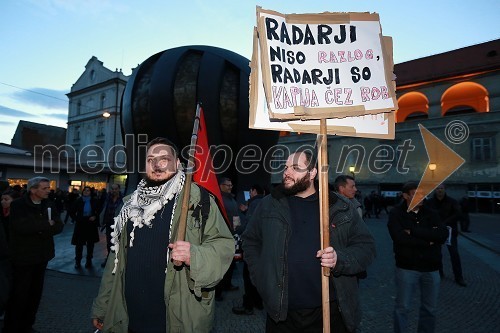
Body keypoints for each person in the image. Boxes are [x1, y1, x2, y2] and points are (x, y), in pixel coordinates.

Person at [91, 137, 234, 333]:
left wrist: (195, 255)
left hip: (175, 316)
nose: (157, 164)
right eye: (151, 159)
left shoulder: (198, 201)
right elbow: (114, 263)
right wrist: (103, 306)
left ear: (177, 163)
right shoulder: (129, 205)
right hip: (128, 316)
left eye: (164, 158)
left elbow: (224, 245)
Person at [242, 149, 376, 332]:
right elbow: (250, 241)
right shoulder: (269, 205)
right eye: (286, 167)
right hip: (281, 313)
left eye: (295, 168)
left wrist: (340, 259)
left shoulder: (339, 206)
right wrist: (261, 277)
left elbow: (366, 247)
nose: (287, 173)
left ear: (313, 173)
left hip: (331, 310)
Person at [3, 177, 64, 333]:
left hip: (42, 256)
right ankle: (11, 327)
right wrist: (45, 225)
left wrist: (40, 227)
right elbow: (21, 227)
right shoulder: (18, 205)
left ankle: (27, 325)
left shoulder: (49, 204)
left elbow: (58, 226)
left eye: (48, 188)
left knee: (35, 295)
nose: (48, 190)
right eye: (44, 188)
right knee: (19, 295)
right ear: (33, 190)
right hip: (23, 258)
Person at [387, 181, 449, 333]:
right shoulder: (396, 213)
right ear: (405, 196)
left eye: (423, 194)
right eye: (416, 194)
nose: (421, 197)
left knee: (430, 309)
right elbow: (400, 238)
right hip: (407, 268)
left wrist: (414, 231)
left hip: (432, 268)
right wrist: (429, 240)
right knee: (402, 308)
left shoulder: (431, 212)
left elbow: (442, 235)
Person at [232, 184, 265, 315]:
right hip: (262, 246)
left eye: (250, 191)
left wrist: (238, 227)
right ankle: (258, 302)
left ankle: (248, 306)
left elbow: (249, 226)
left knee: (248, 275)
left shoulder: (254, 203)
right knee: (256, 275)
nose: (249, 194)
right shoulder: (266, 202)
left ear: (254, 191)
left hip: (253, 246)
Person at [427, 184, 467, 287]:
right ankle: (439, 272)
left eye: (441, 188)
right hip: (436, 232)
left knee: (454, 254)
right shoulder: (430, 202)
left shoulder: (452, 201)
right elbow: (426, 214)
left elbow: (458, 214)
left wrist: (445, 223)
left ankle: (458, 277)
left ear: (445, 190)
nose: (440, 190)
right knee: (436, 253)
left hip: (450, 231)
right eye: (438, 188)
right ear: (435, 190)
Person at [215, 176, 239, 301]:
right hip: (222, 236)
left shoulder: (232, 199)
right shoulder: (219, 200)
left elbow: (236, 217)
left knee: (231, 263)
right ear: (221, 186)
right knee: (221, 265)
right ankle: (218, 291)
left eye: (231, 185)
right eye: (227, 185)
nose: (230, 187)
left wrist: (238, 230)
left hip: (232, 236)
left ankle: (227, 284)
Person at [71, 186, 100, 268]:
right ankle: (78, 261)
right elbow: (72, 211)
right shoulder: (78, 200)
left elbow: (98, 211)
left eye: (88, 191)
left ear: (90, 192)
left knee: (90, 244)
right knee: (79, 244)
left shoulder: (94, 200)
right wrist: (77, 219)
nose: (86, 192)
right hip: (81, 224)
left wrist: (94, 216)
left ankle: (89, 261)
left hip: (91, 224)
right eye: (85, 190)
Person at [100, 183, 123, 267]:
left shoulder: (122, 199)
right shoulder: (108, 198)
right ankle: (109, 259)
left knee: (117, 242)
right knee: (109, 242)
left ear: (119, 189)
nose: (114, 190)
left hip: (118, 224)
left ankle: (116, 260)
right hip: (109, 223)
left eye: (115, 189)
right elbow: (104, 209)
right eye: (112, 189)